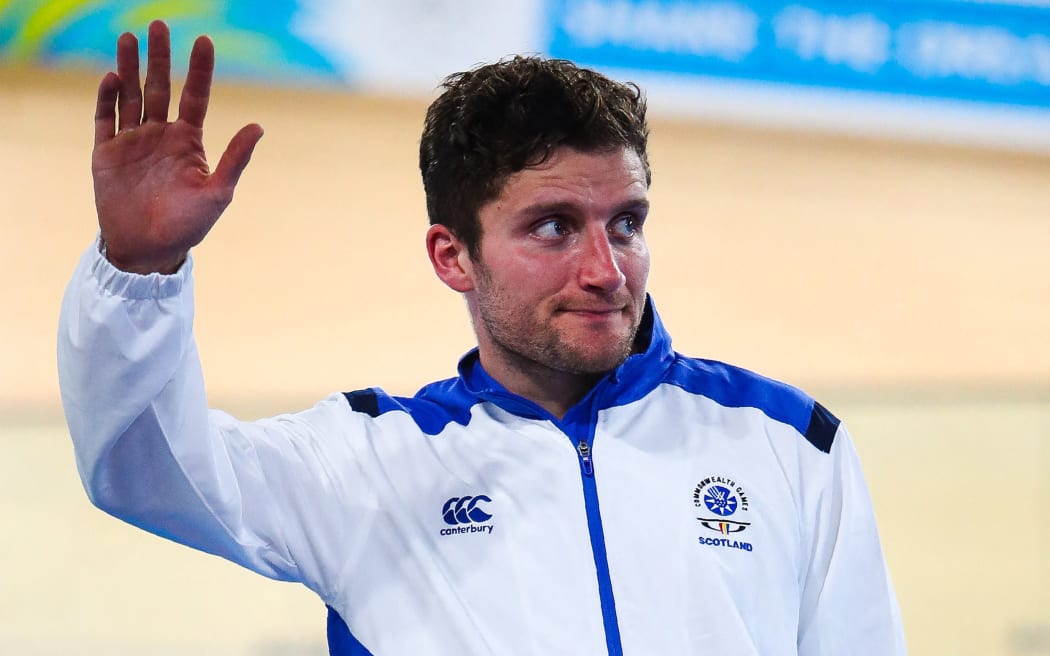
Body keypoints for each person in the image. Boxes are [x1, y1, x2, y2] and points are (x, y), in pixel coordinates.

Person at [59, 19, 907, 656]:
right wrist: (139, 270)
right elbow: (142, 470)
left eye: (628, 222)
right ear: (452, 255)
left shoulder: (791, 443)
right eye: (553, 228)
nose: (607, 270)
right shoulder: (366, 464)